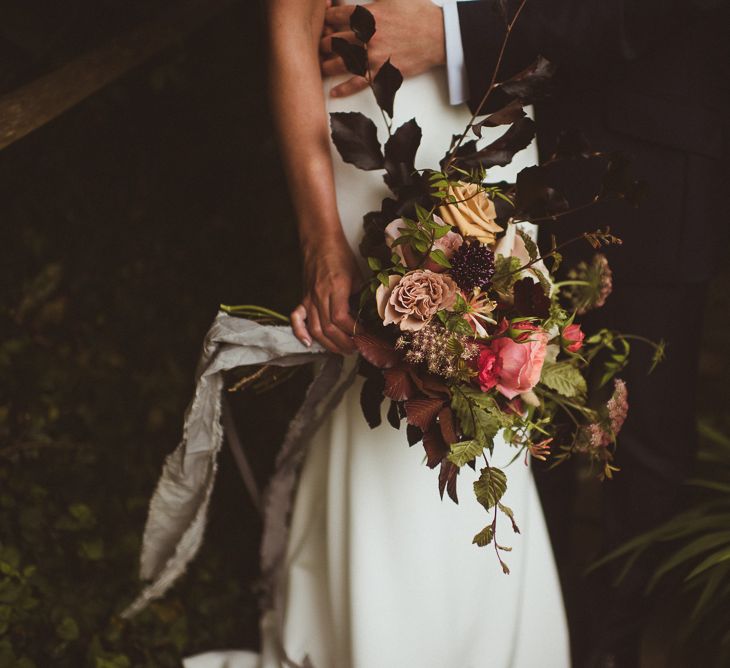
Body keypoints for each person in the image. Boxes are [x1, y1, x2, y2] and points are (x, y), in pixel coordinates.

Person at [319, 1, 729, 667]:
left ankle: (609, 647)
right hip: (507, 141)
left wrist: (454, 35)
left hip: (654, 157)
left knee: (648, 440)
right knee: (507, 406)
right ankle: (535, 630)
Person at [184, 0, 570, 666]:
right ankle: (374, 635)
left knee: (492, 390)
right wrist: (319, 240)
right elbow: (290, 21)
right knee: (394, 379)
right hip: (385, 116)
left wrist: (452, 31)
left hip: (493, 104)